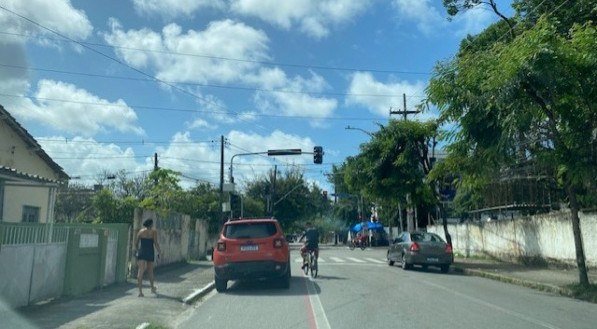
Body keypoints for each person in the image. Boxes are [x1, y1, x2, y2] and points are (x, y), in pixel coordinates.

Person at [134, 219, 161, 297]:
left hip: (142, 251)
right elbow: (156, 243)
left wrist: (136, 251)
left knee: (140, 271)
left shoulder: (140, 232)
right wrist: (159, 252)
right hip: (150, 252)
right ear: (151, 224)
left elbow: (136, 243)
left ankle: (140, 292)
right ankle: (152, 288)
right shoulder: (154, 232)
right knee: (150, 271)